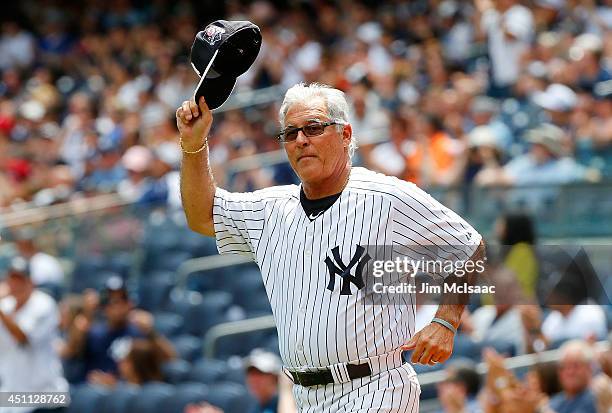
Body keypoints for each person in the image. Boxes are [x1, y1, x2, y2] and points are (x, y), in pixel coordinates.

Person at [177, 82, 485, 412]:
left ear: (346, 134)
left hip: (376, 386)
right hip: (305, 395)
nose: (301, 140)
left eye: (313, 128)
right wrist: (193, 145)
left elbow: (468, 246)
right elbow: (203, 216)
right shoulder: (270, 209)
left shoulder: (387, 198)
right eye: (290, 133)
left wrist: (446, 321)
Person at [62, 276, 175, 383]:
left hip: (124, 394)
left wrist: (151, 332)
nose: (117, 307)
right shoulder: (93, 332)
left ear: (130, 303)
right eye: (111, 302)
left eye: (122, 300)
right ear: (104, 307)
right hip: (91, 391)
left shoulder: (139, 332)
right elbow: (69, 358)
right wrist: (85, 316)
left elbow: (170, 359)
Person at [0, 256, 68, 413]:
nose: (15, 284)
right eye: (12, 279)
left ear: (31, 282)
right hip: (12, 395)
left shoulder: (44, 304)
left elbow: (22, 338)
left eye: (20, 279)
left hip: (46, 396)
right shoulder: (5, 305)